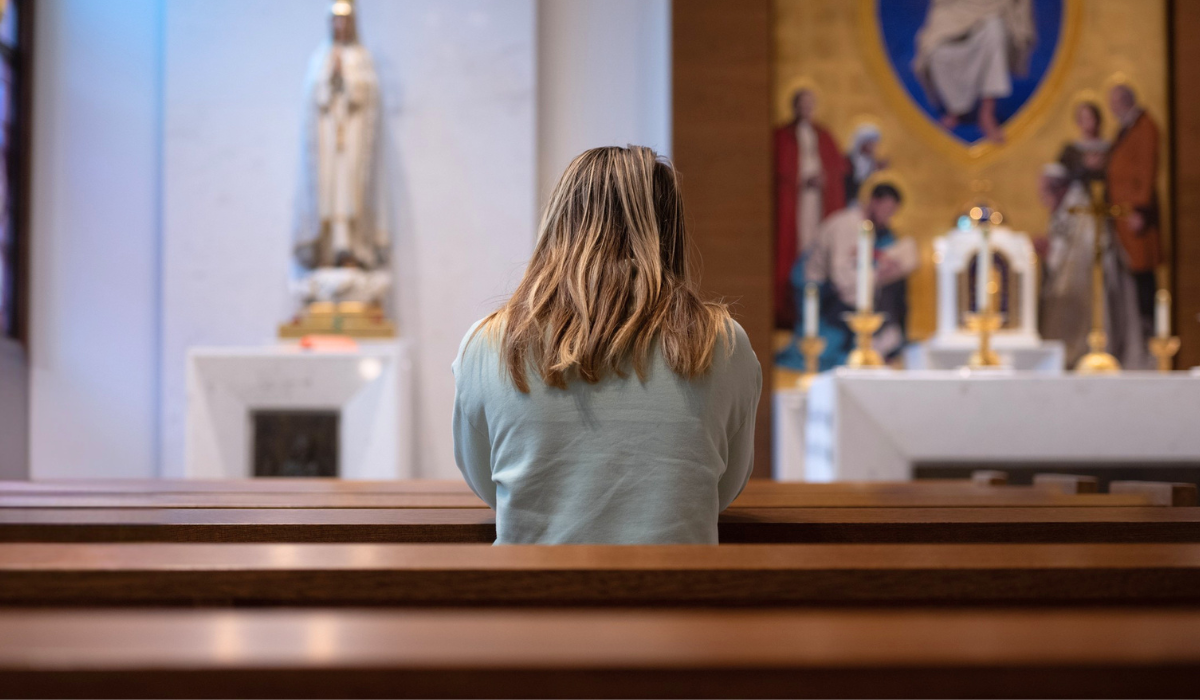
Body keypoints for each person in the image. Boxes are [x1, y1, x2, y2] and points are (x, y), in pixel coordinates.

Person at [452, 146, 762, 545]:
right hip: (678, 583)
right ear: (668, 234)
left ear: (558, 224)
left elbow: (489, 483)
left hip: (531, 583)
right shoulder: (723, 344)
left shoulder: (487, 344)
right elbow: (722, 487)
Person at [780, 183, 918, 369]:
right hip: (820, 292)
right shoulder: (847, 225)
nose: (888, 217)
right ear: (873, 202)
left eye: (892, 212)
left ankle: (885, 343)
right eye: (886, 210)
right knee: (823, 352)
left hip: (851, 288)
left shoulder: (880, 229)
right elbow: (842, 278)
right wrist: (877, 275)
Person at [774, 88, 847, 329]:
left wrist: (824, 179)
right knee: (796, 247)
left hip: (818, 204)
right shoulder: (783, 136)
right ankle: (790, 310)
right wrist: (802, 180)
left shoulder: (823, 135)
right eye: (801, 104)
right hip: (796, 204)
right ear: (794, 106)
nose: (805, 108)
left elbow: (836, 168)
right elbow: (780, 171)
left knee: (817, 248)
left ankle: (820, 311)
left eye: (809, 104)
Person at [913, 0, 1035, 143]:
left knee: (995, 30)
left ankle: (987, 113)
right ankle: (956, 109)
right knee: (933, 50)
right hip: (953, 14)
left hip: (991, 10)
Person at [1106, 83, 1161, 348]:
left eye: (1114, 102)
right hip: (1122, 215)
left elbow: (1147, 168)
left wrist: (1140, 209)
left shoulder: (1145, 126)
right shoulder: (1126, 127)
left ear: (1126, 101)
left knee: (1143, 272)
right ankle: (1134, 335)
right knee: (1129, 273)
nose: (1111, 108)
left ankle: (1149, 333)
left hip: (1137, 216)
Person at [1038, 163, 1093, 366]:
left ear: (1058, 188)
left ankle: (1071, 359)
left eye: (1045, 190)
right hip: (1064, 280)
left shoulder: (1074, 208)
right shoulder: (1066, 207)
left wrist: (1048, 253)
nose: (1042, 197)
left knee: (1070, 323)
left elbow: (1067, 248)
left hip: (1074, 281)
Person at [844, 124, 889, 205]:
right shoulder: (849, 159)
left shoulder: (872, 163)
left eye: (874, 144)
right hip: (847, 198)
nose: (873, 147)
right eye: (870, 144)